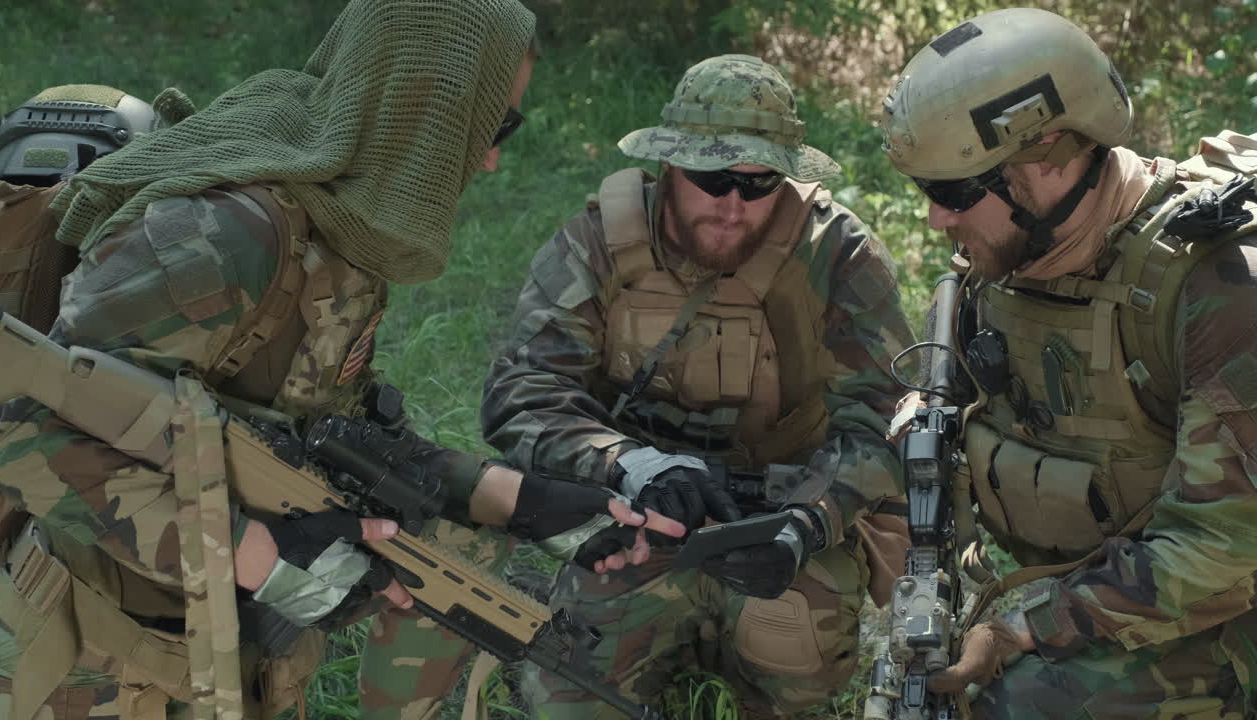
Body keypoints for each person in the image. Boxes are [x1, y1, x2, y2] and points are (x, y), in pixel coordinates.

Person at [0, 2, 681, 719]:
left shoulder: (340, 232)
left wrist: (524, 501)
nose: (493, 157)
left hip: (225, 658)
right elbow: (21, 430)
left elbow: (327, 442)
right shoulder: (226, 235)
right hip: (84, 666)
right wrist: (257, 553)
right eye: (491, 126)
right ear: (425, 111)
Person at [360, 53, 916, 719]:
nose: (733, 205)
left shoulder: (839, 256)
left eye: (759, 181)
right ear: (668, 167)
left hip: (777, 514)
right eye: (712, 178)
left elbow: (884, 421)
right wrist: (630, 465)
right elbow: (522, 390)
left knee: (797, 665)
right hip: (634, 518)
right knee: (564, 692)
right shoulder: (600, 244)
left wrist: (806, 522)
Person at [881, 8, 1257, 718]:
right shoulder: (1012, 258)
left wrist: (1024, 630)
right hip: (1094, 578)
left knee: (1018, 704)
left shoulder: (1216, 293)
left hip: (1225, 606)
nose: (936, 221)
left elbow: (1223, 551)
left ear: (1050, 152)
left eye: (954, 193)